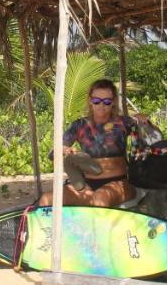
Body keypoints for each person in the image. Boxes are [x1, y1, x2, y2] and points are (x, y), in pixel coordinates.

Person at [39, 78, 148, 209]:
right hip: (85, 185)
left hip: (119, 183)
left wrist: (143, 120)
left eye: (107, 101)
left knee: (100, 199)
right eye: (96, 101)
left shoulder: (124, 122)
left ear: (113, 102)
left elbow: (154, 136)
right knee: (46, 200)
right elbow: (53, 153)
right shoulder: (79, 125)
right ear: (90, 101)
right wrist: (64, 150)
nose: (101, 105)